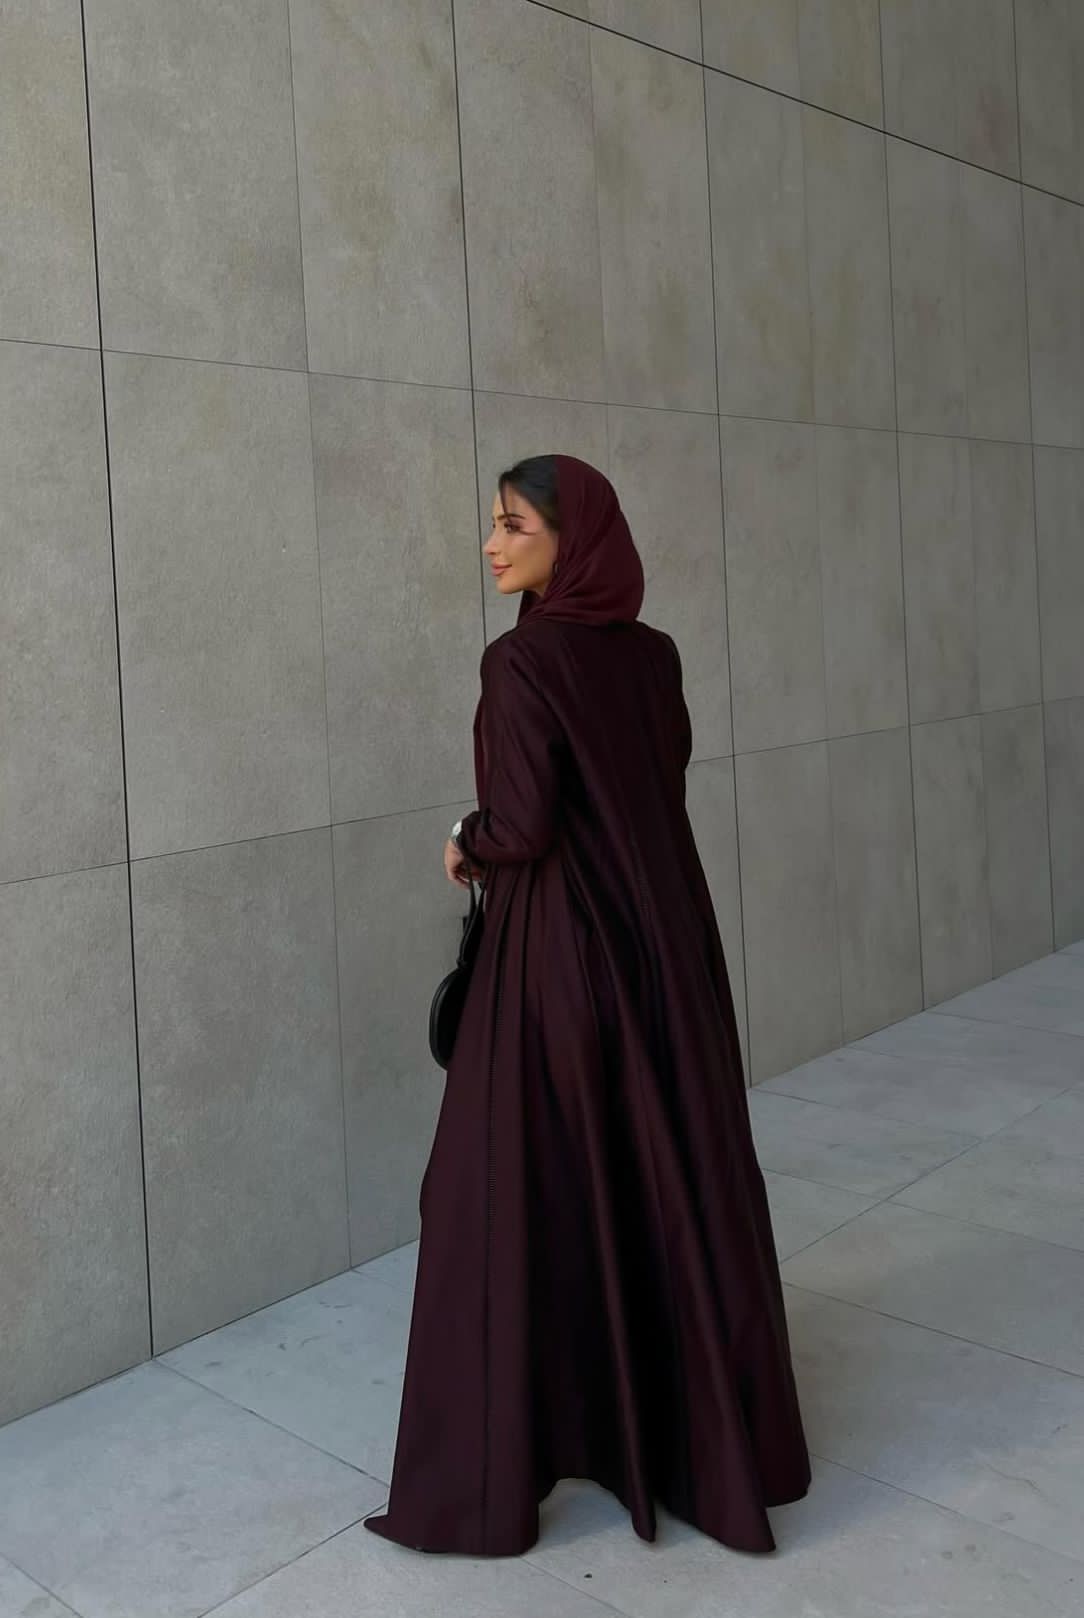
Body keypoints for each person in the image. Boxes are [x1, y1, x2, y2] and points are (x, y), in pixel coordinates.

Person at [364, 454, 811, 1557]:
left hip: (558, 960)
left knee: (507, 1191)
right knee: (658, 1169)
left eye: (515, 525)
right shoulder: (653, 657)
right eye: (493, 523)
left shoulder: (521, 661)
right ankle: (685, 1434)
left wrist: (464, 840)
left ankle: (513, 1455)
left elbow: (522, 824)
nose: (492, 544)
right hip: (667, 952)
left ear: (574, 540)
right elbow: (652, 787)